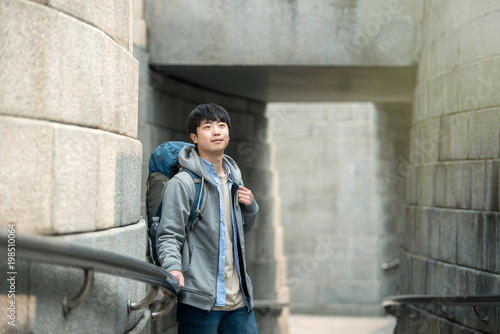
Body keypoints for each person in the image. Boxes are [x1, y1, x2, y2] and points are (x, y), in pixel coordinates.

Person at [156, 103, 259, 333]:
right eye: (208, 126)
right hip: (199, 301)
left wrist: (250, 207)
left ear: (229, 134)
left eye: (221, 125)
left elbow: (235, 233)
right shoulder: (183, 184)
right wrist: (173, 268)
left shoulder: (234, 179)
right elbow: (168, 235)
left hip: (239, 300)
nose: (216, 131)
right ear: (194, 136)